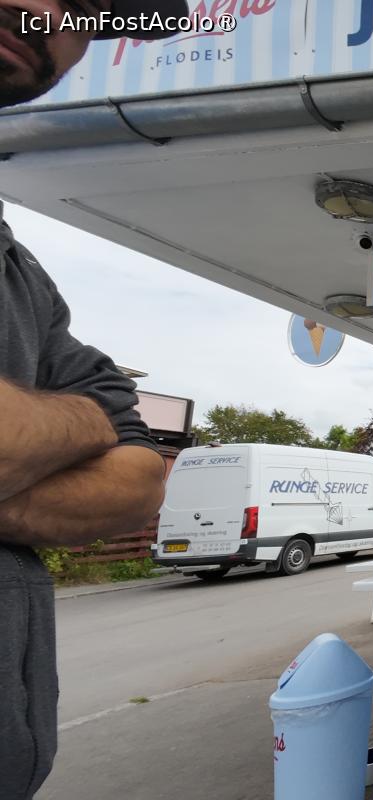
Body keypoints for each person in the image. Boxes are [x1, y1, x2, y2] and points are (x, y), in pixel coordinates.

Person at [0, 3, 189, 798]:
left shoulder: (22, 276)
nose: (46, 16)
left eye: (84, 9)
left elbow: (140, 479)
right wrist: (75, 428)